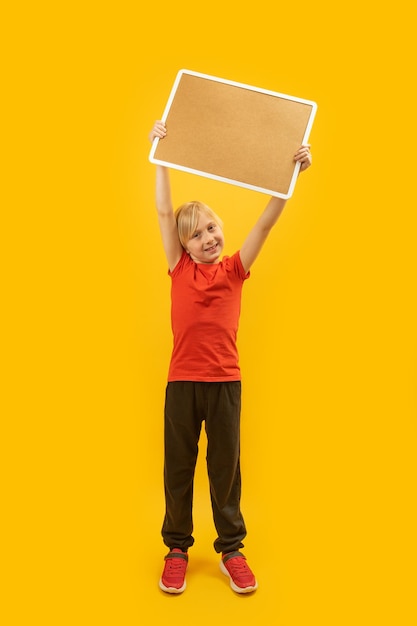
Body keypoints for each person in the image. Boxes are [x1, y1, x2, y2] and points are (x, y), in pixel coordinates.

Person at [148, 120, 312, 594]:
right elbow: (162, 211)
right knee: (177, 467)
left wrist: (292, 175)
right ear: (184, 245)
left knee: (226, 467)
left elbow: (265, 221)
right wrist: (158, 153)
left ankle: (232, 549)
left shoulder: (236, 270)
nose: (209, 238)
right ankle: (176, 547)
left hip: (225, 384)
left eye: (213, 228)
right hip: (182, 384)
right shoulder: (178, 269)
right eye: (197, 235)